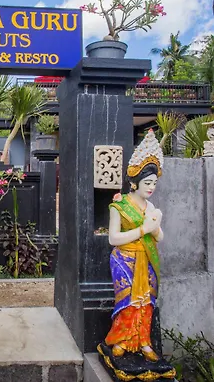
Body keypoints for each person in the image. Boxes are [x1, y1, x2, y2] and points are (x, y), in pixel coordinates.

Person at [104, 129, 164, 362]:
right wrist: (143, 230)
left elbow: (160, 237)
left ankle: (144, 341)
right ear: (134, 183)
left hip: (146, 259)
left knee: (146, 302)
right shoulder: (119, 207)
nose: (151, 188)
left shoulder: (151, 208)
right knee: (128, 302)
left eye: (154, 183)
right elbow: (113, 239)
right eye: (147, 183)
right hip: (125, 259)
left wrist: (155, 226)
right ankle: (121, 340)